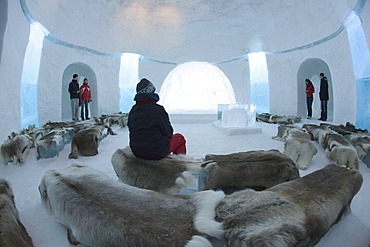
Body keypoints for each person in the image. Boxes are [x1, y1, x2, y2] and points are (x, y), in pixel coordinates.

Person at [127, 78, 187, 160]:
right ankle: (182, 165)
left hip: (137, 151)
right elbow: (168, 132)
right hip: (156, 151)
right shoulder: (158, 109)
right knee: (180, 139)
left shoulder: (133, 110)